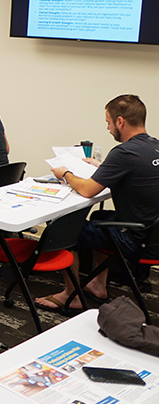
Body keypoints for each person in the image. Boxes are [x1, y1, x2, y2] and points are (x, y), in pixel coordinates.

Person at [35, 94, 159, 311]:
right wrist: (102, 166)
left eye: (108, 123)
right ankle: (98, 285)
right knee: (99, 217)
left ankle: (70, 296)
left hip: (138, 241)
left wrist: (66, 173)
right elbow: (135, 174)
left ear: (120, 121)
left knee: (68, 231)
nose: (109, 128)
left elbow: (86, 190)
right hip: (154, 235)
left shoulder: (124, 152)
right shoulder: (153, 146)